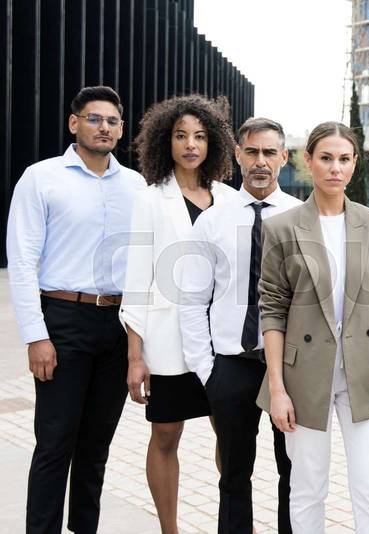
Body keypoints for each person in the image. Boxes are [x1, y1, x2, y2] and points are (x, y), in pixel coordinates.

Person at [7, 86, 146, 534]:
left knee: (96, 447)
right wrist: (36, 335)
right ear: (74, 123)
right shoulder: (41, 178)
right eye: (93, 118)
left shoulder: (135, 185)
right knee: (54, 444)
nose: (103, 127)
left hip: (118, 324)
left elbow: (145, 262)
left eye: (111, 121)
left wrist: (138, 342)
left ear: (121, 130)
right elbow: (23, 260)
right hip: (62, 321)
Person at [255, 121, 369, 533]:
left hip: (368, 375)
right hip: (303, 376)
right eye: (326, 158)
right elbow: (272, 310)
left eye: (343, 159)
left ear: (355, 163)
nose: (335, 168)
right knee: (306, 487)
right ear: (308, 161)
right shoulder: (280, 227)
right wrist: (278, 388)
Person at [120, 95, 237, 534]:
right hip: (167, 342)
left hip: (221, 342)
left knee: (230, 433)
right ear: (165, 141)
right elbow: (137, 281)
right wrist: (135, 355)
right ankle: (170, 529)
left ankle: (234, 520)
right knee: (166, 436)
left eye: (200, 136)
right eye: (181, 135)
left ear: (214, 144)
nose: (191, 145)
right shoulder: (150, 200)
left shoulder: (229, 199)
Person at [180, 117, 302, 533]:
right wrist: (208, 370)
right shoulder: (212, 221)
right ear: (237, 156)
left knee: (295, 474)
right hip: (230, 366)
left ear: (284, 157)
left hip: (288, 367)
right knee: (233, 475)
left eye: (270, 152)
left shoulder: (303, 219)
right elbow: (192, 300)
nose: (261, 161)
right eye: (252, 152)